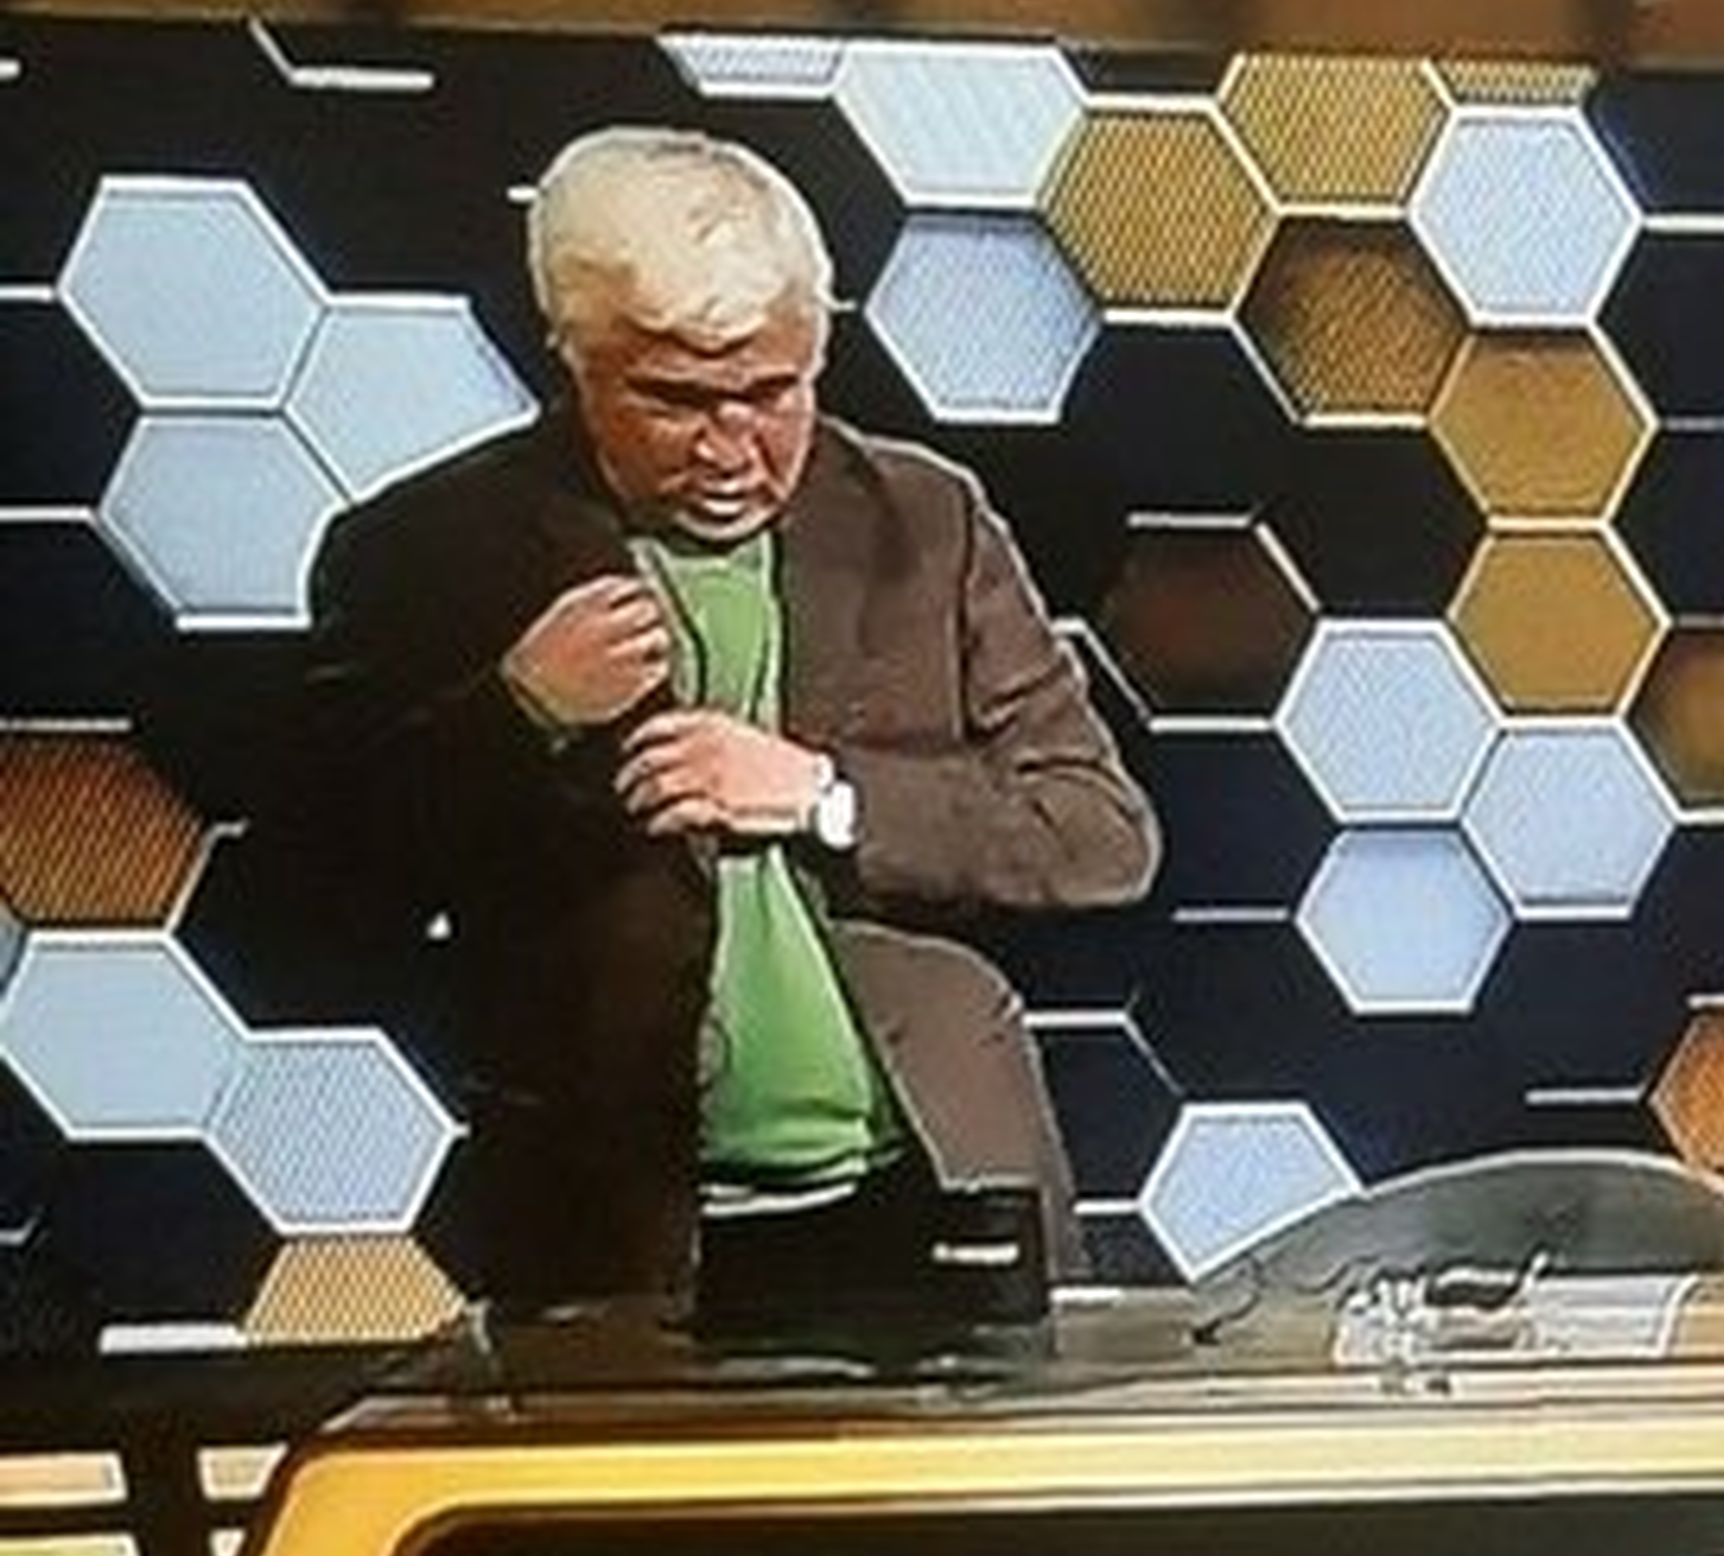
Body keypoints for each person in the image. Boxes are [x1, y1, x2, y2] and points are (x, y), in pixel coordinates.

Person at [294, 126, 1157, 1311]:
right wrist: (521, 709)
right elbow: (325, 888)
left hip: (936, 1192)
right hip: (614, 1229)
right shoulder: (432, 550)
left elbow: (1100, 836)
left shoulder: (923, 521)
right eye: (677, 400)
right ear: (574, 360)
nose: (733, 447)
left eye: (772, 393)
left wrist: (823, 796)